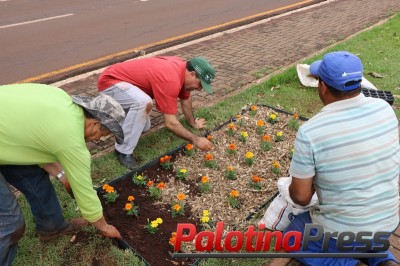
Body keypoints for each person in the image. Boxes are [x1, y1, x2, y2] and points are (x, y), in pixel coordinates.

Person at [285, 51, 399, 265]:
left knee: (294, 236)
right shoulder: (385, 109)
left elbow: (301, 198)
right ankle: (382, 259)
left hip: (344, 233)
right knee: (368, 237)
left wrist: (300, 185)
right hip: (387, 222)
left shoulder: (311, 131)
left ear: (323, 87)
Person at [0, 83, 125, 265]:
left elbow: (34, 141)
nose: (99, 139)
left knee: (34, 176)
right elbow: (85, 193)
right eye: (103, 135)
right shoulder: (72, 140)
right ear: (95, 123)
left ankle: (52, 227)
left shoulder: (60, 99)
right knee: (10, 223)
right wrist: (104, 227)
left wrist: (62, 176)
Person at [97, 56, 215, 169]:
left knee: (144, 126)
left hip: (126, 84)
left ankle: (115, 119)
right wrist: (196, 139)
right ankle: (123, 151)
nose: (199, 89)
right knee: (143, 103)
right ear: (192, 74)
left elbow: (185, 98)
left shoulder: (182, 69)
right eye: (200, 84)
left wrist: (193, 123)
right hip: (110, 82)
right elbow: (170, 123)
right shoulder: (170, 79)